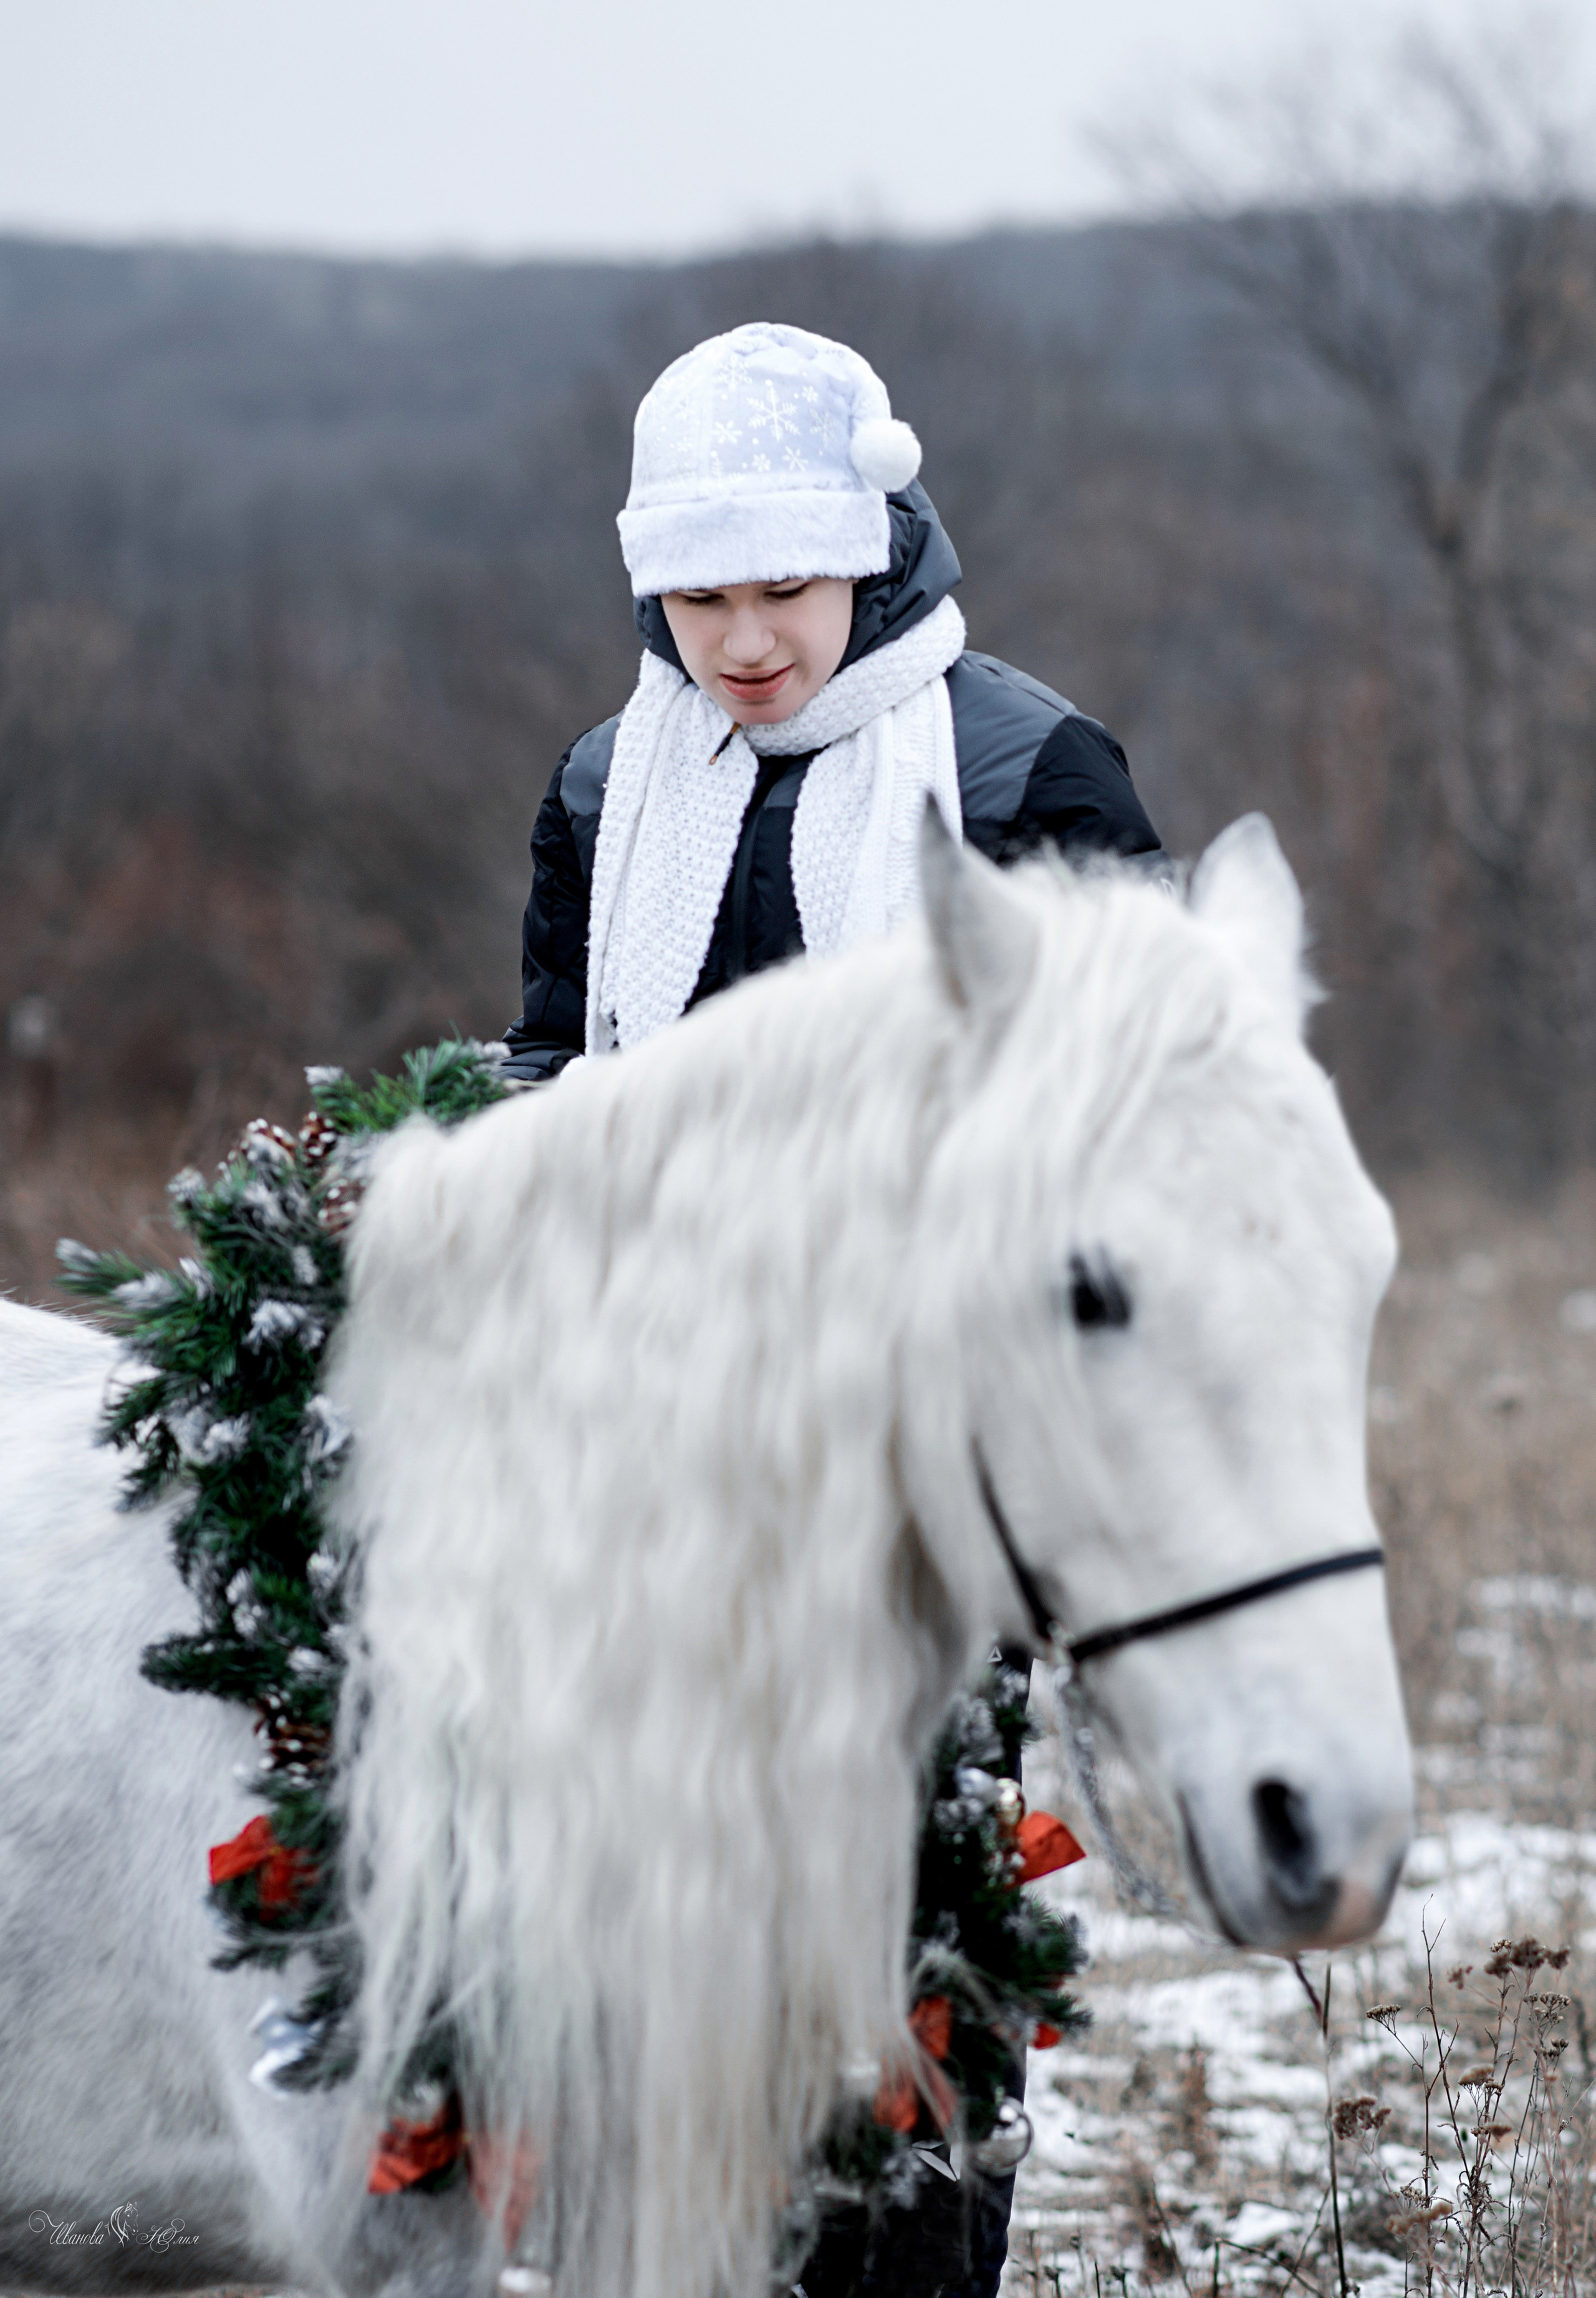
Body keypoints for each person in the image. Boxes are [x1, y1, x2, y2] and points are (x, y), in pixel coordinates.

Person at [501, 322, 1163, 2298]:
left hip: (923, 1469)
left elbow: (1138, 1141)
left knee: (901, 1932)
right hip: (651, 1459)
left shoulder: (1028, 770)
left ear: (872, 552)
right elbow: (552, 1071)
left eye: (782, 588)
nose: (741, 643)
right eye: (697, 598)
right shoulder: (614, 781)